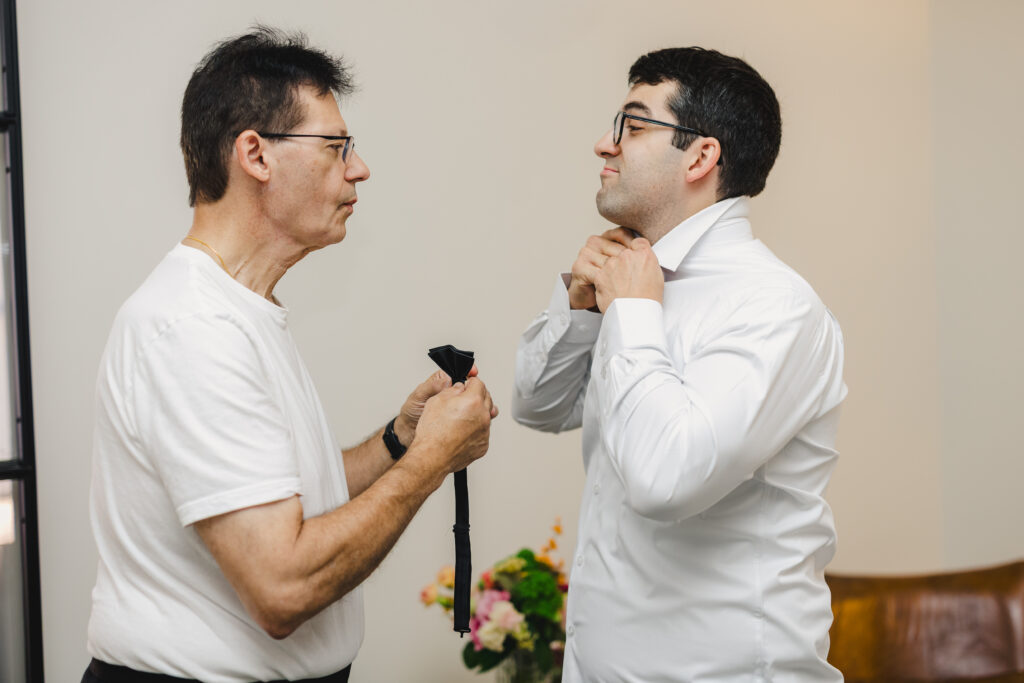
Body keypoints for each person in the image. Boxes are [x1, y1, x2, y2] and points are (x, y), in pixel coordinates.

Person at [84, 27, 497, 683]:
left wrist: (399, 438)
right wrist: (431, 459)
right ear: (256, 154)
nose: (358, 168)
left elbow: (271, 495)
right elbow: (281, 587)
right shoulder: (192, 326)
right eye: (336, 147)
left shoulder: (237, 309)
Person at [513, 47, 846, 681]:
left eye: (633, 126)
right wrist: (581, 309)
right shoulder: (630, 277)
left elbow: (666, 480)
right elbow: (539, 407)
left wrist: (635, 317)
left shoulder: (775, 306)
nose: (604, 146)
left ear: (700, 156)